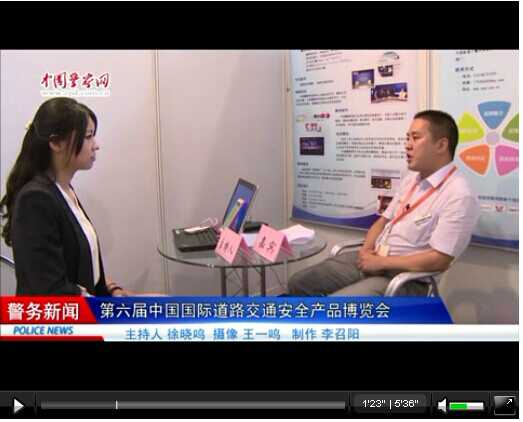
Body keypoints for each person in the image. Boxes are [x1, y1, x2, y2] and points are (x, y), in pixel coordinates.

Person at [288, 110, 481, 296]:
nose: (407, 145)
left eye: (415, 138)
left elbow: (439, 260)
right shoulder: (412, 179)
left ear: (441, 145)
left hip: (406, 279)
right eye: (407, 138)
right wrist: (366, 253)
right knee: (299, 282)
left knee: (337, 307)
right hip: (375, 260)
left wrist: (382, 263)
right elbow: (382, 222)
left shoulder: (459, 195)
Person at [0, 97, 131, 296]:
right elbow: (49, 288)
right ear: (56, 142)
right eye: (88, 136)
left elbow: (82, 267)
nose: (96, 145)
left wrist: (111, 291)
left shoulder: (64, 190)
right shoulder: (35, 200)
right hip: (60, 315)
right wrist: (101, 305)